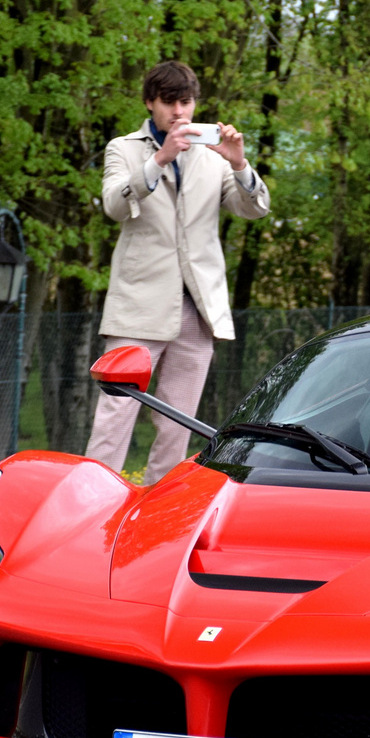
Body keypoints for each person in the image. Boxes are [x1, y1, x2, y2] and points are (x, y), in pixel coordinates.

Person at [87, 60, 271, 484]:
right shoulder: (124, 148)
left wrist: (240, 165)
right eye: (168, 102)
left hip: (198, 308)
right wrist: (159, 160)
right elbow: (114, 206)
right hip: (139, 306)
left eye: (185, 101)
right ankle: (93, 506)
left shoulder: (214, 154)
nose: (178, 112)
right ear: (149, 102)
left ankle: (155, 517)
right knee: (115, 419)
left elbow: (255, 210)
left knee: (178, 425)